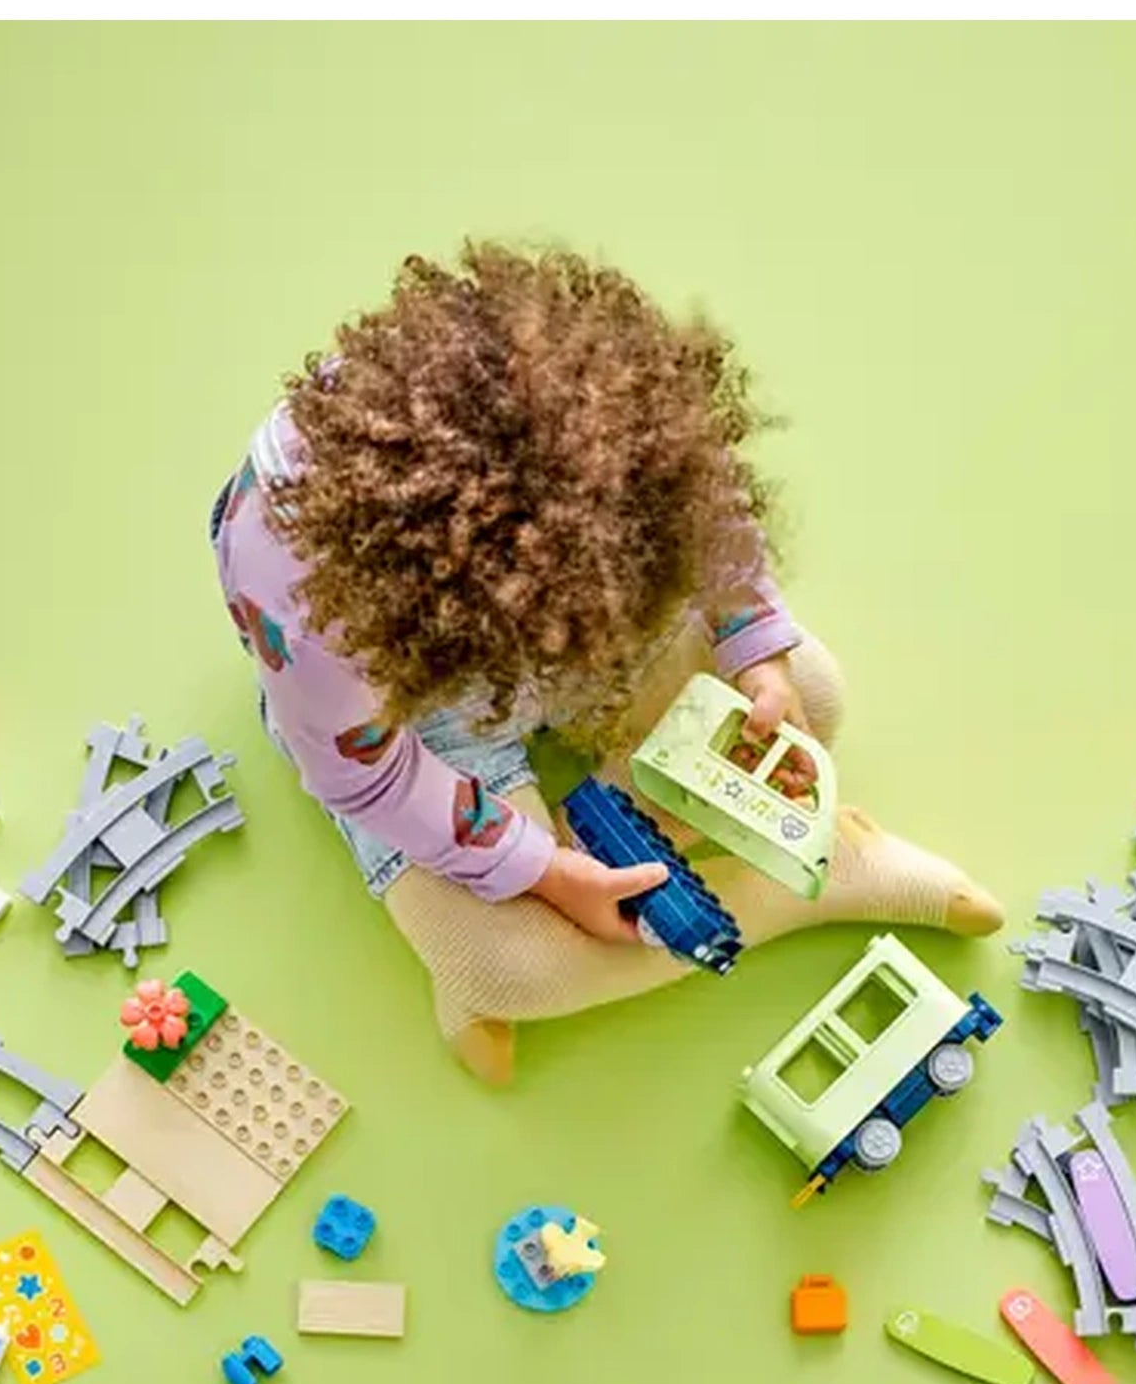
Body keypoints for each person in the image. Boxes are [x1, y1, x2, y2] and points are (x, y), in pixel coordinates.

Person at [212, 242, 1002, 1084]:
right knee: (507, 968)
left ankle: (611, 862)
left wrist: (755, 651)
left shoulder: (597, 405)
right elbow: (372, 780)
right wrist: (541, 871)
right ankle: (820, 880)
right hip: (412, 707)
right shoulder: (300, 597)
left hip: (581, 600)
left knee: (811, 694)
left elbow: (705, 500)